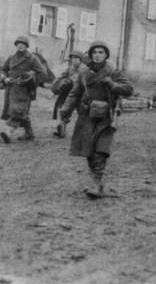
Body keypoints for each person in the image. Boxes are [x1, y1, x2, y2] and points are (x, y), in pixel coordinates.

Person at [59, 41, 134, 198]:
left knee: (100, 150)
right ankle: (99, 185)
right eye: (94, 52)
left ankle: (95, 183)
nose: (97, 55)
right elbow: (75, 93)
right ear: (91, 55)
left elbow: (128, 89)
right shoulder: (84, 73)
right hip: (87, 115)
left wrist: (112, 84)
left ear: (106, 55)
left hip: (106, 116)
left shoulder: (113, 71)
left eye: (101, 52)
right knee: (89, 150)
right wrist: (66, 110)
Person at [0, 35, 47, 143]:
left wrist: (30, 80)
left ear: (26, 46)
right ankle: (29, 134)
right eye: (18, 43)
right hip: (11, 89)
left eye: (23, 44)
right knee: (19, 111)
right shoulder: (12, 57)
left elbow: (43, 74)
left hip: (25, 90)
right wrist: (5, 79)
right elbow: (3, 69)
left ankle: (8, 132)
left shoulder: (32, 58)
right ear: (16, 45)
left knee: (18, 110)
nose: (20, 45)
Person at [51, 49, 87, 138]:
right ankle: (61, 130)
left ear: (80, 60)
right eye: (72, 58)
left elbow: (82, 82)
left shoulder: (84, 69)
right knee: (65, 111)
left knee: (82, 113)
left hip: (81, 95)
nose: (74, 60)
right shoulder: (70, 68)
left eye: (76, 58)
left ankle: (86, 132)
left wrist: (70, 80)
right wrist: (55, 87)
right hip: (72, 95)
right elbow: (61, 77)